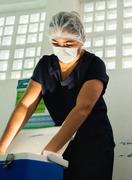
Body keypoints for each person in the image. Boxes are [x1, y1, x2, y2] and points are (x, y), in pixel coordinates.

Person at [0, 11, 115, 180]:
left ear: (81, 40)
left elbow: (83, 108)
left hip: (94, 142)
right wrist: (2, 148)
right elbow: (25, 106)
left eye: (68, 44)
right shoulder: (45, 65)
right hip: (63, 140)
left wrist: (47, 153)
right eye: (56, 42)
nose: (61, 48)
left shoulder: (93, 64)